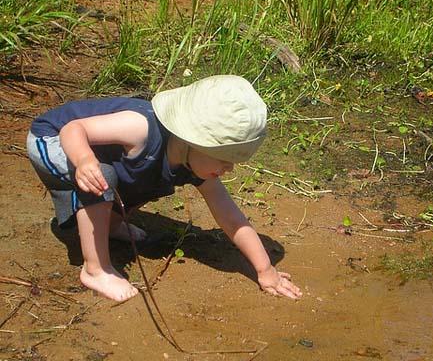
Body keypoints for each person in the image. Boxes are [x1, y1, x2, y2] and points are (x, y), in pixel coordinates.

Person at [26, 75, 302, 302]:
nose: (229, 169)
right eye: (224, 159)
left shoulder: (192, 161)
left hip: (97, 152)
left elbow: (232, 218)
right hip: (52, 140)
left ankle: (108, 226)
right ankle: (96, 269)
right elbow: (74, 130)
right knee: (105, 174)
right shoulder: (140, 128)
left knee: (143, 178)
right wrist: (84, 161)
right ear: (195, 141)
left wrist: (266, 270)